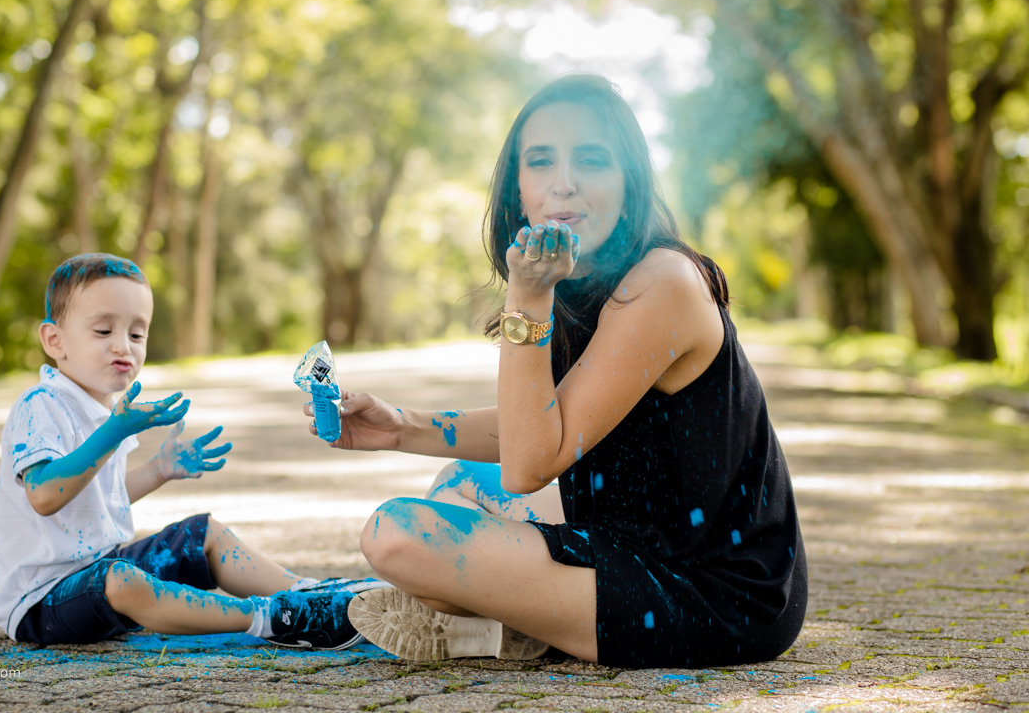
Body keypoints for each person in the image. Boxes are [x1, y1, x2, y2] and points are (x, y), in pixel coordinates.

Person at [313, 74, 807, 668]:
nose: (563, 183)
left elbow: (527, 466)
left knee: (395, 532)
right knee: (459, 482)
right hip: (628, 546)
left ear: (630, 181)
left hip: (714, 595)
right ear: (518, 190)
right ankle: (516, 629)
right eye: (541, 162)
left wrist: (528, 298)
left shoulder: (662, 283)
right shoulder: (588, 280)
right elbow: (546, 426)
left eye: (592, 160)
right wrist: (400, 428)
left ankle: (493, 627)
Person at [0, 253, 378, 648]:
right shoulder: (41, 405)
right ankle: (275, 619)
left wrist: (159, 469)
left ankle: (311, 593)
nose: (123, 346)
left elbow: (99, 498)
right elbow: (44, 495)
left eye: (137, 335)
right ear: (55, 340)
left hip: (98, 571)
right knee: (123, 579)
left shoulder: (100, 409)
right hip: (41, 602)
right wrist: (114, 431)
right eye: (103, 331)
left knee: (202, 533)